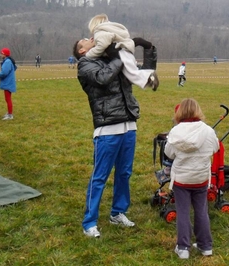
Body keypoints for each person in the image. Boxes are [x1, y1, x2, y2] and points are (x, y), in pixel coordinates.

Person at [73, 37, 157, 238]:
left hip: (129, 125)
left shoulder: (111, 58)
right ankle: (89, 222)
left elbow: (142, 73)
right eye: (86, 40)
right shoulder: (85, 64)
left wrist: (148, 48)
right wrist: (120, 53)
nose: (91, 39)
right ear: (82, 51)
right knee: (100, 176)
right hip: (107, 128)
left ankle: (118, 213)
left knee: (124, 173)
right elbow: (103, 78)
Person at [164, 98, 219, 259]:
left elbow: (169, 153)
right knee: (202, 210)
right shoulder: (208, 130)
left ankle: (183, 248)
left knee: (183, 212)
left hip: (181, 178)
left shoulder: (175, 132)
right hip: (201, 177)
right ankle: (205, 246)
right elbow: (215, 147)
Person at [86, 13, 158, 90]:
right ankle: (149, 78)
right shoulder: (113, 29)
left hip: (119, 53)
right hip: (127, 51)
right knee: (132, 70)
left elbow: (102, 45)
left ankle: (150, 78)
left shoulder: (99, 33)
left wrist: (88, 54)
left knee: (130, 72)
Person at [0, 48, 17, 120]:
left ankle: (10, 115)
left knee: (8, 99)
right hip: (8, 82)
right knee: (7, 99)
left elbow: (4, 72)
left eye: (1, 53)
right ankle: (9, 113)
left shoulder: (7, 62)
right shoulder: (8, 61)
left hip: (8, 83)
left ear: (4, 54)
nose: (0, 55)